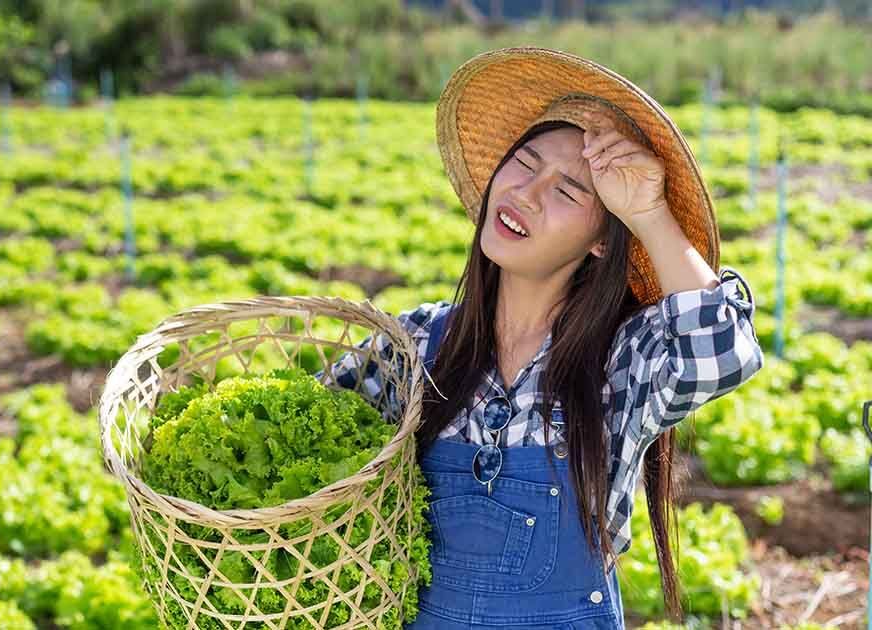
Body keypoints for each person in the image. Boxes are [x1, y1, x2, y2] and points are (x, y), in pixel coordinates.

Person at [316, 47, 764, 629]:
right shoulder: (415, 344)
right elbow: (305, 442)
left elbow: (721, 350)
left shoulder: (617, 363)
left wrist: (648, 212)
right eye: (524, 164)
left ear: (603, 241)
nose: (526, 193)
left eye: (568, 191)